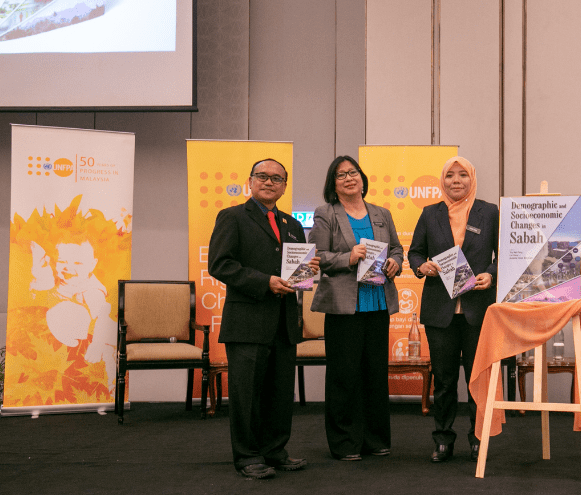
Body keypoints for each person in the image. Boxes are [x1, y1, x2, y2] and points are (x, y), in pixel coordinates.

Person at [208, 158, 317, 479]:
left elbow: (296, 269)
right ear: (251, 181)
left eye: (277, 179)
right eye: (263, 177)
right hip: (247, 320)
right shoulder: (232, 217)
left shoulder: (292, 225)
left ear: (284, 186)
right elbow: (221, 264)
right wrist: (264, 281)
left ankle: (275, 450)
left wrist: (307, 271)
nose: (269, 182)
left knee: (281, 393)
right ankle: (247, 456)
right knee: (247, 394)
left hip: (284, 322)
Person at [309, 155, 403, 461]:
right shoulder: (326, 213)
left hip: (377, 304)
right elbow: (318, 256)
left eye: (353, 173)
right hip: (343, 308)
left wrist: (395, 263)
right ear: (333, 185)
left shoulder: (381, 213)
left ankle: (375, 439)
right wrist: (347, 257)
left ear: (362, 178)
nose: (349, 178)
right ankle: (345, 442)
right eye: (341, 175)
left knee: (375, 375)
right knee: (344, 376)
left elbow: (399, 249)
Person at [408, 156, 498, 463]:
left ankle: (478, 439)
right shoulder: (430, 213)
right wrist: (422, 266)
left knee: (477, 379)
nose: (455, 180)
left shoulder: (489, 212)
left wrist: (492, 274)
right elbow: (415, 251)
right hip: (440, 310)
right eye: (449, 175)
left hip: (478, 310)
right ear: (442, 180)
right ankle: (443, 439)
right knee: (444, 380)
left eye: (462, 175)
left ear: (472, 180)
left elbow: (504, 254)